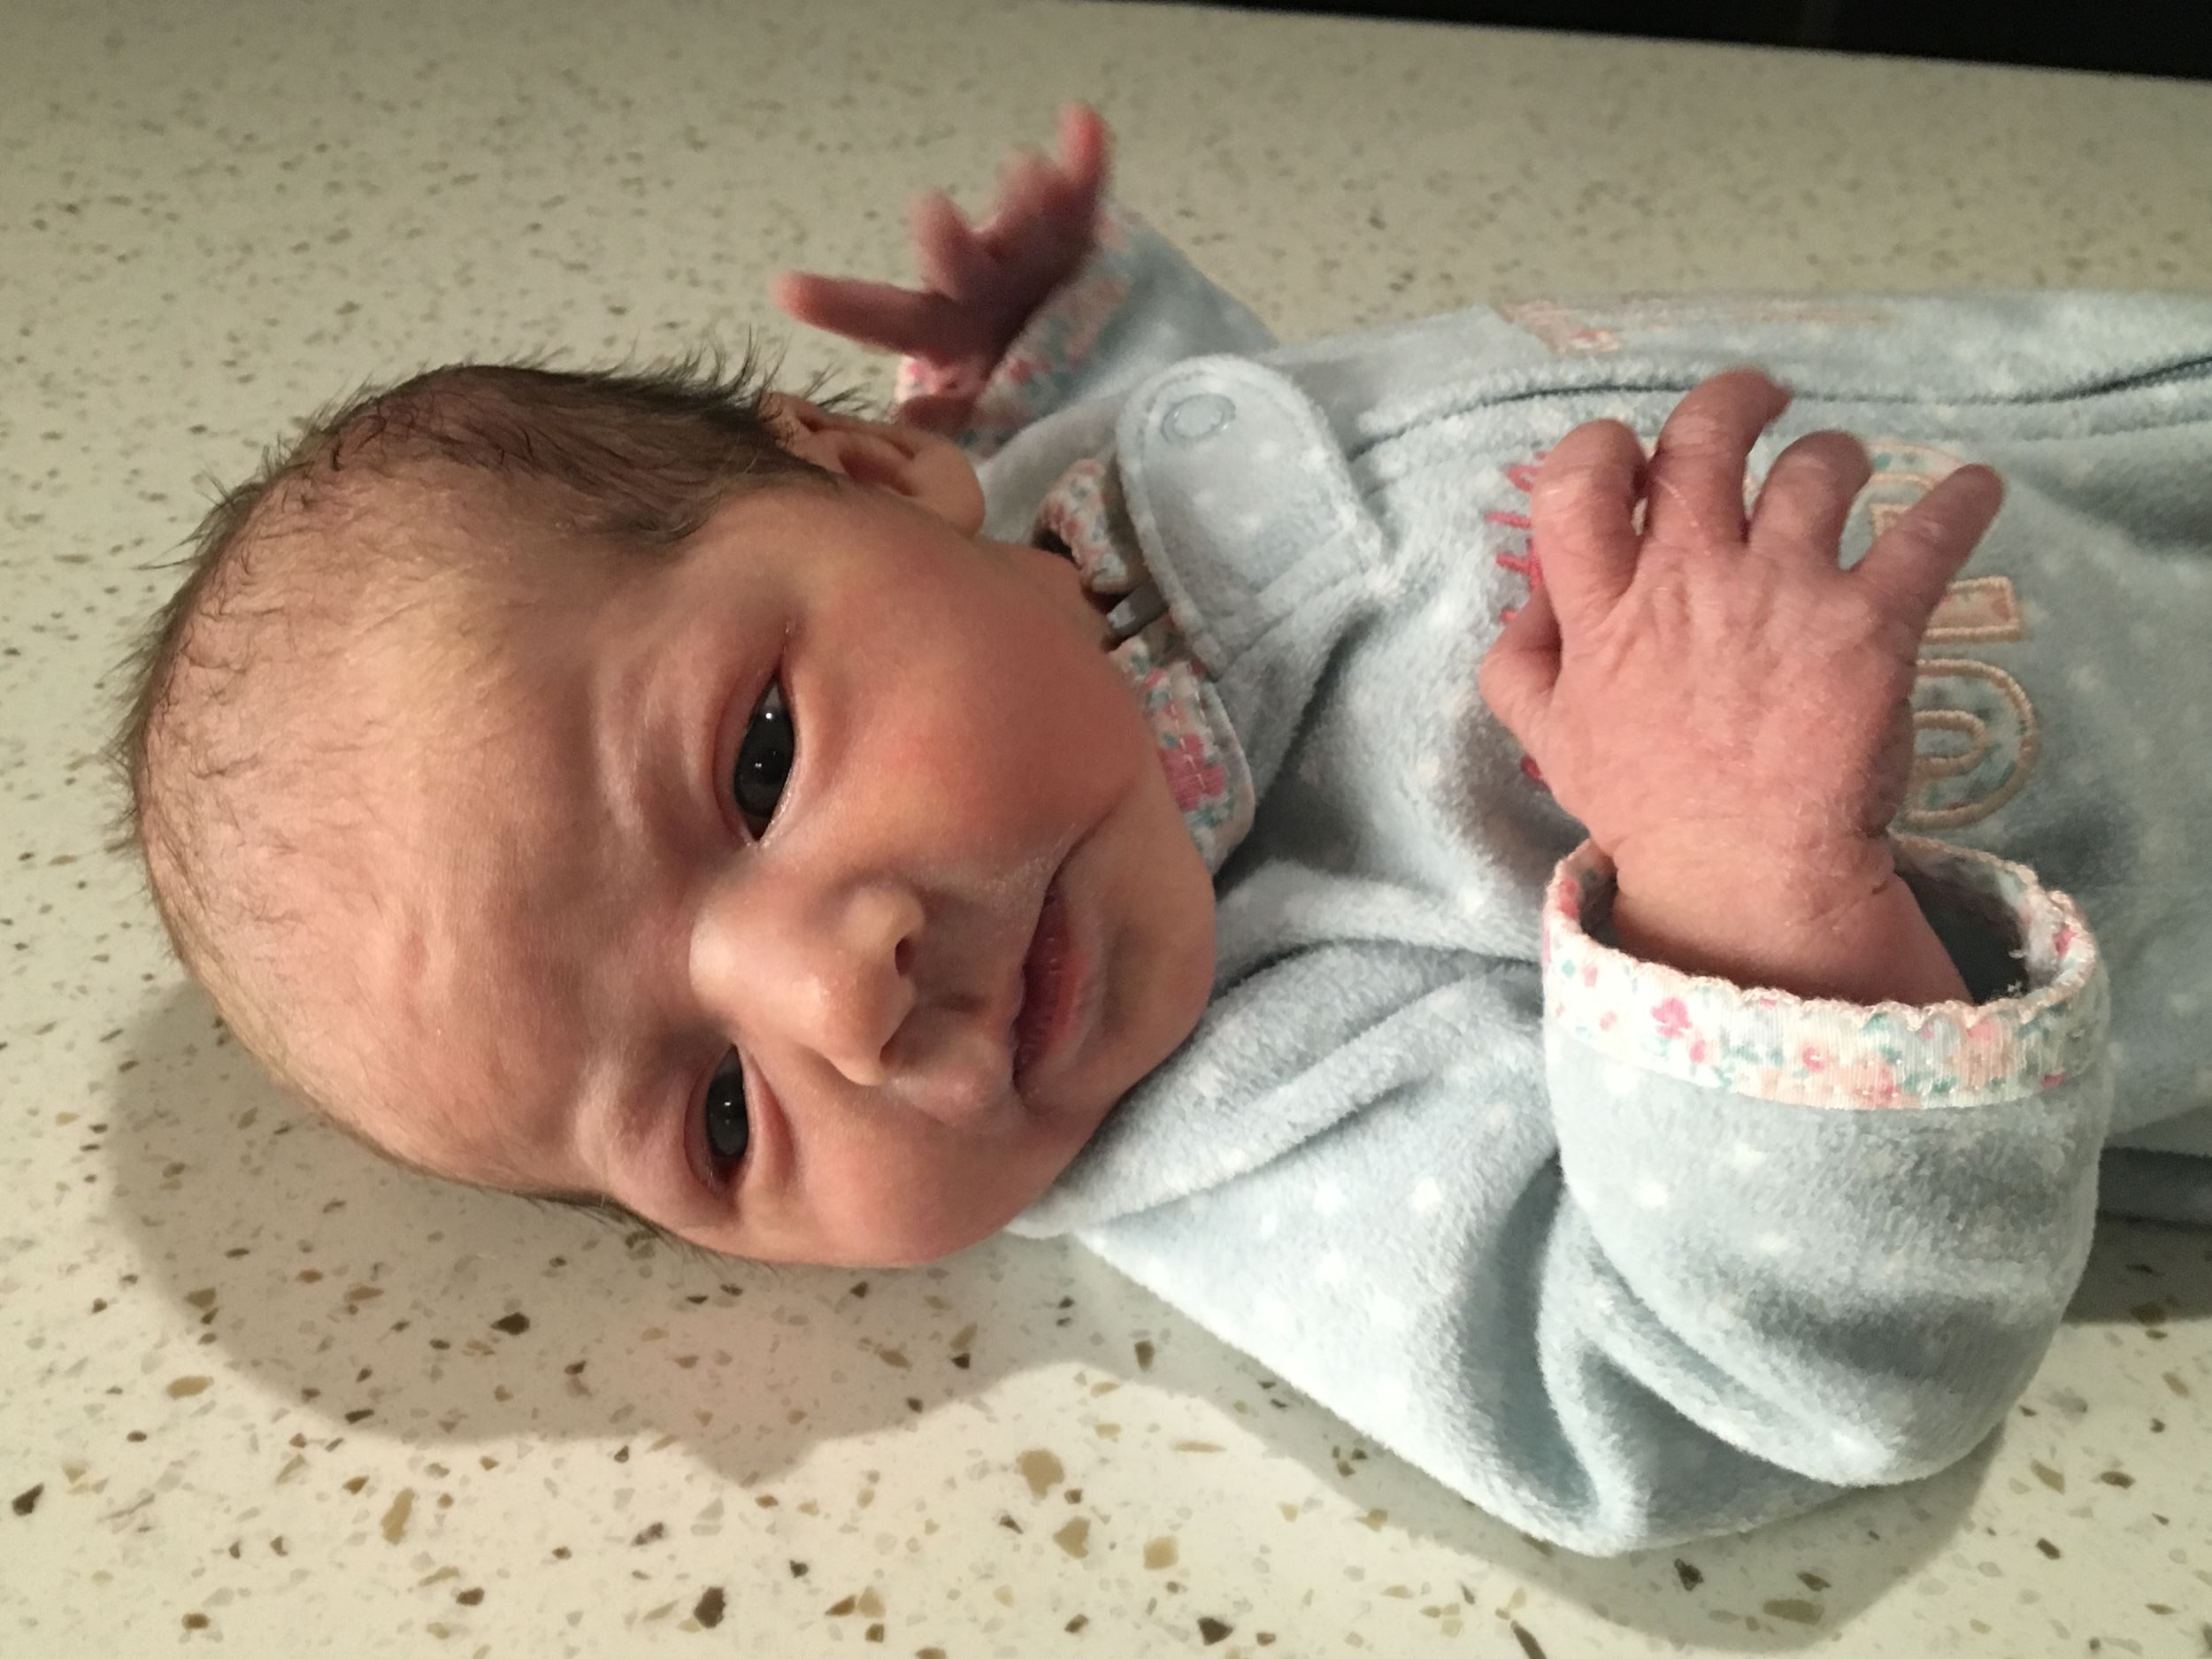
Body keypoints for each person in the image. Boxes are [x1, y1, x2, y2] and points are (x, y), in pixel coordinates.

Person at [115, 104, 2212, 1552]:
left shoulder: (1055, 515)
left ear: (874, 472)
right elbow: (1720, 1387)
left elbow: (1287, 472)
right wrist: (1747, 895)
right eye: (718, 1115)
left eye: (754, 765)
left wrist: (1087, 342)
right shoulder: (1265, 1121)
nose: (838, 997)